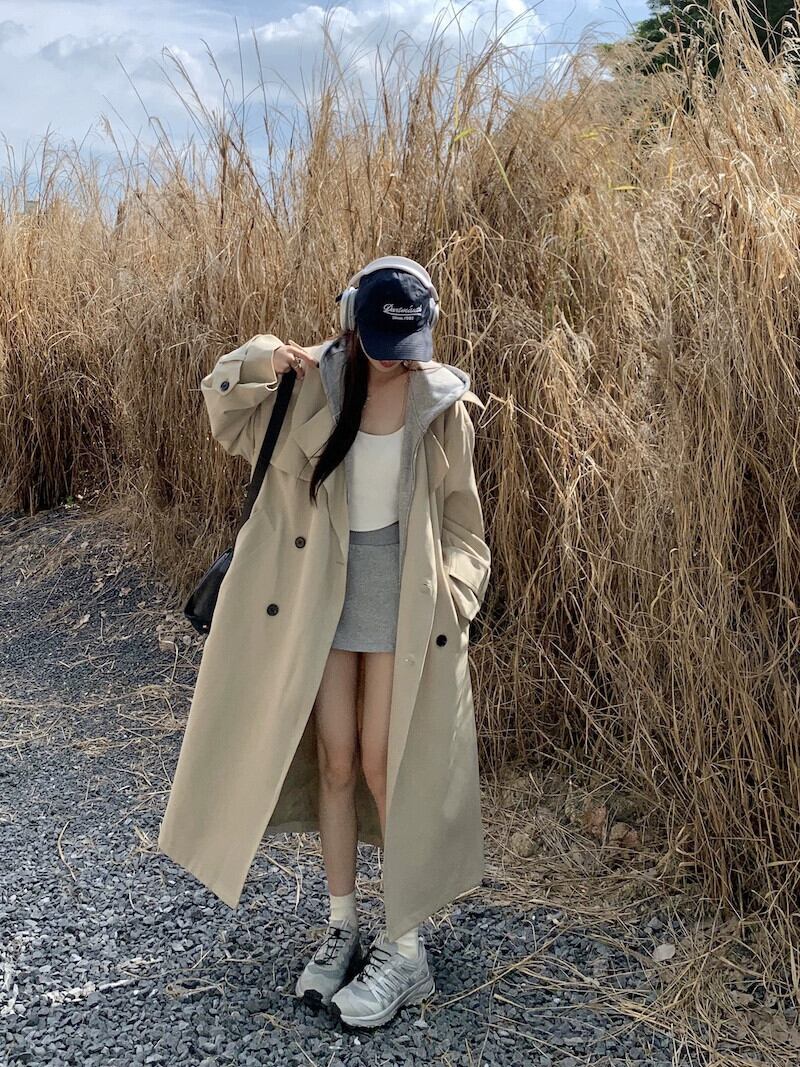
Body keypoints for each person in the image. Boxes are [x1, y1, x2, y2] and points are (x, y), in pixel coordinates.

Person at [157, 255, 491, 1031]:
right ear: (351, 319)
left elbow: (466, 524)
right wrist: (262, 355)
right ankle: (343, 924)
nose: (393, 359)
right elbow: (223, 414)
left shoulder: (443, 404)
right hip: (321, 600)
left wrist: (457, 595)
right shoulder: (311, 382)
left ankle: (405, 947)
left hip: (405, 607)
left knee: (385, 765)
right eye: (379, 341)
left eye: (406, 345)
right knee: (336, 762)